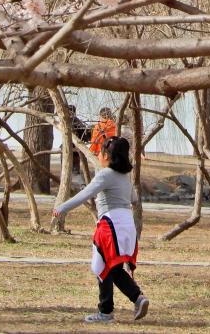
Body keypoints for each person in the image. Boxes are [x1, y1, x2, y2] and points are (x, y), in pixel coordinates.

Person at [53, 136, 149, 323]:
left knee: (101, 266)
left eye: (100, 151)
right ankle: (137, 298)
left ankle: (106, 313)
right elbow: (134, 199)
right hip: (127, 224)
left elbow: (85, 194)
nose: (97, 154)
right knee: (113, 268)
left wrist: (62, 208)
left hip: (110, 224)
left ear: (106, 155)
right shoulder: (124, 177)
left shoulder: (105, 175)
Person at [69, 105, 90, 174]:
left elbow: (83, 132)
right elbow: (84, 133)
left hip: (74, 146)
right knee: (71, 168)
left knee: (73, 169)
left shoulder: (75, 121)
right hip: (72, 146)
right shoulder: (74, 120)